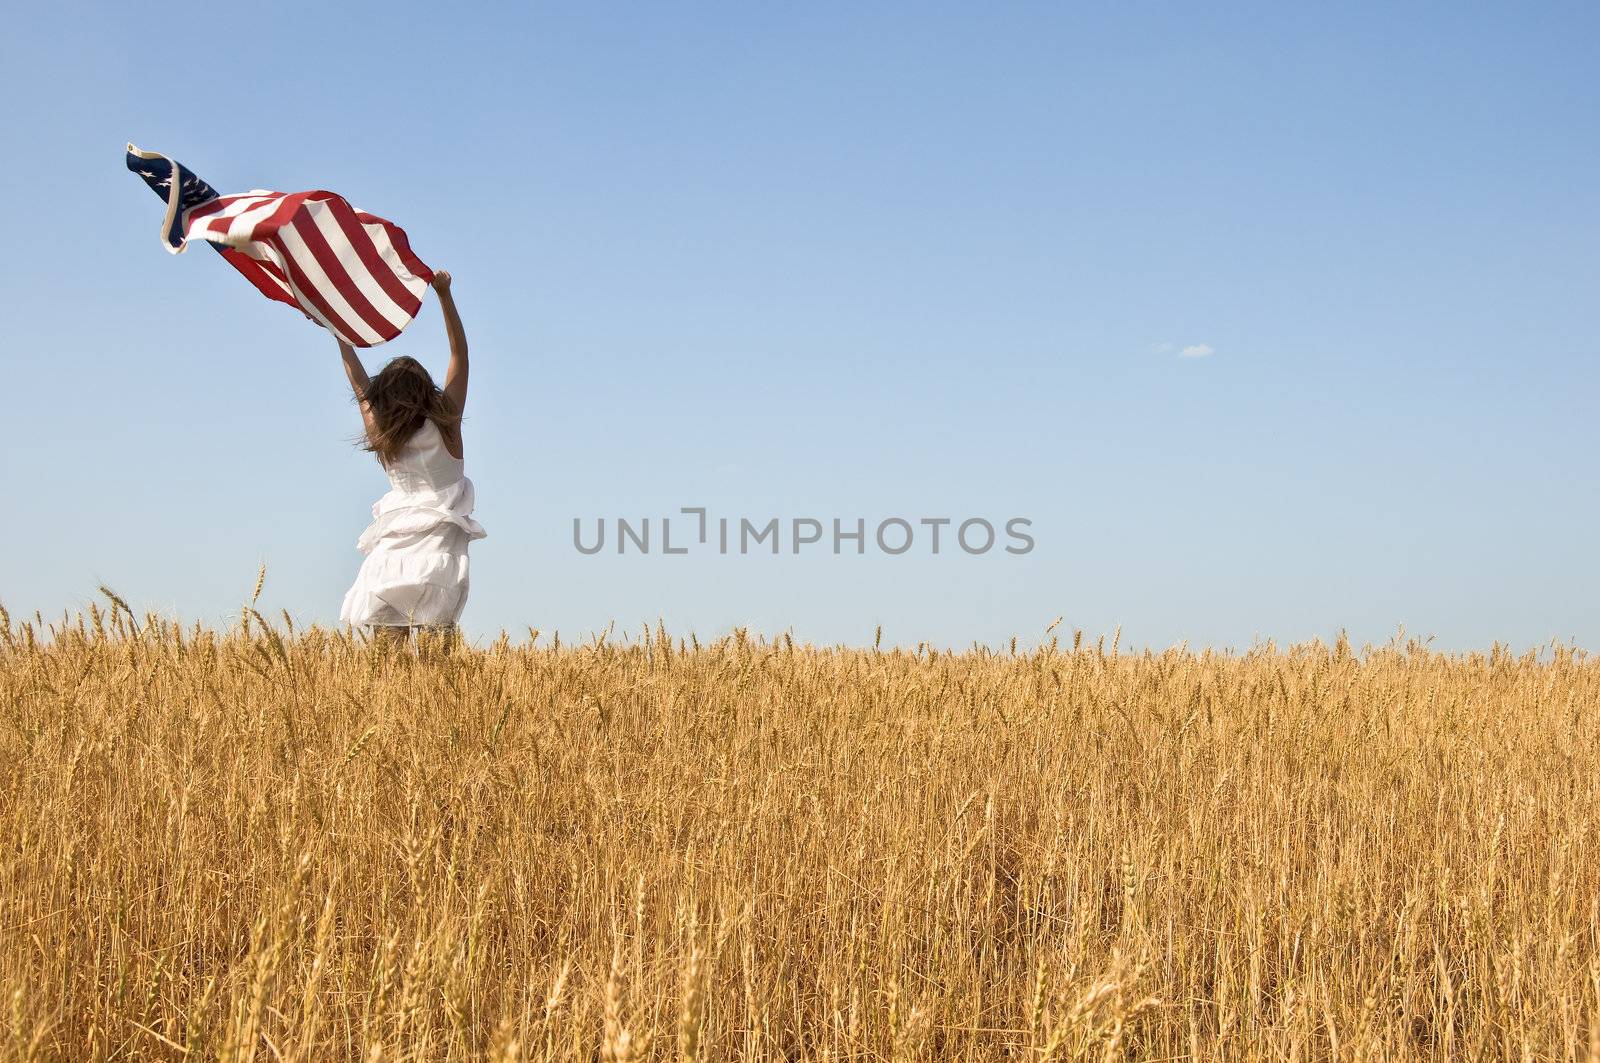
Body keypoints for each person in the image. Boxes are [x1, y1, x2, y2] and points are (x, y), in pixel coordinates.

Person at [336, 271, 485, 644]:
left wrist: (337, 327)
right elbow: (459, 355)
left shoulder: (382, 433)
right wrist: (444, 295)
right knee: (438, 655)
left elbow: (357, 380)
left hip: (393, 548)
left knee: (387, 655)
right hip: (437, 549)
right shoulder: (447, 422)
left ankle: (387, 704)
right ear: (427, 391)